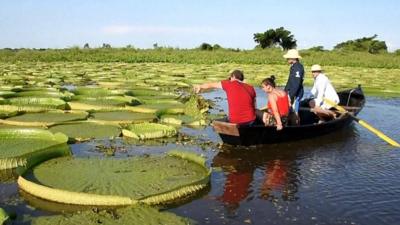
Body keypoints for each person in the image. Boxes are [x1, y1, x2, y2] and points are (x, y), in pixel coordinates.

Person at [283, 49, 304, 119]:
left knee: (295, 112)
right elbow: (290, 81)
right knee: (290, 110)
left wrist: (291, 95)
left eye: (288, 58)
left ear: (293, 58)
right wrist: (285, 91)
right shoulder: (294, 66)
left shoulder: (298, 67)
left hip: (296, 94)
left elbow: (296, 84)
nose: (287, 59)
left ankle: (297, 126)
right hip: (292, 93)